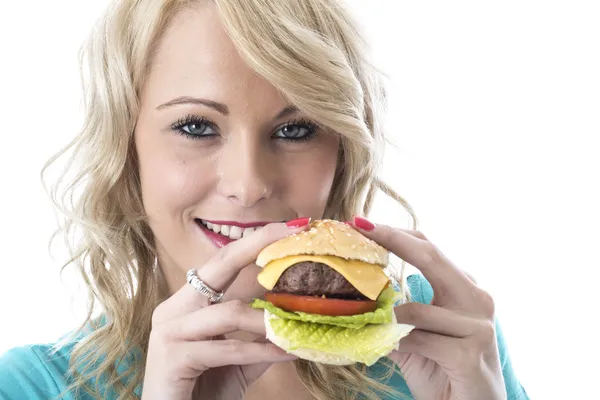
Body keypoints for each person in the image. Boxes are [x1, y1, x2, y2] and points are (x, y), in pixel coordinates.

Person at [0, 0, 529, 399]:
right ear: (125, 148)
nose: (249, 184)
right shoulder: (31, 386)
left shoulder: (446, 340)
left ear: (342, 150)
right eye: (195, 126)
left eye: (296, 130)